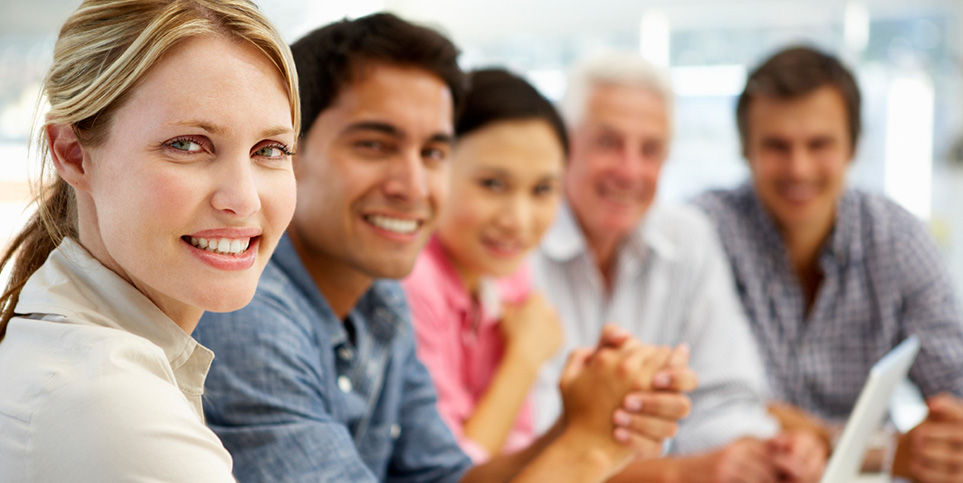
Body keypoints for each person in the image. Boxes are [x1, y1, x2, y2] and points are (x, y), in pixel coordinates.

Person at [194, 14, 696, 483]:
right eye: (374, 144)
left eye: (433, 152)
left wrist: (580, 424)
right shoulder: (247, 313)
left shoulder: (381, 296)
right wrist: (590, 449)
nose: (414, 185)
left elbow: (445, 477)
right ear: (285, 153)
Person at [0, 0, 300, 481]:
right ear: (73, 154)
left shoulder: (72, 357)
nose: (243, 199)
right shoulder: (113, 408)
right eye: (187, 144)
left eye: (271, 149)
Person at [531, 51, 828, 482]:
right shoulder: (518, 241)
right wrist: (682, 473)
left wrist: (763, 451)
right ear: (564, 146)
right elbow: (528, 448)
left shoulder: (687, 237)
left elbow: (725, 398)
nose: (629, 170)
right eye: (608, 142)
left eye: (650, 150)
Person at [694, 45, 963, 483]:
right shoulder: (702, 235)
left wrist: (942, 444)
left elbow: (955, 388)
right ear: (745, 150)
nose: (799, 169)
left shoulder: (896, 238)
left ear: (853, 147)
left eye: (819, 144)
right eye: (777, 146)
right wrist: (883, 449)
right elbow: (703, 409)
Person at [403, 68, 691, 462]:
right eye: (492, 184)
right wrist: (524, 360)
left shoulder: (509, 278)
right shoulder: (411, 283)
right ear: (435, 166)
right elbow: (452, 469)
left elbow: (517, 444)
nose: (518, 220)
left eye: (542, 190)